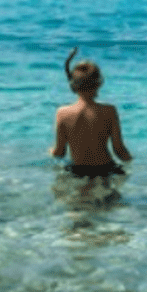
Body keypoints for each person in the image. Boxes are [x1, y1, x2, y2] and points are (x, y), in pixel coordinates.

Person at [50, 47, 133, 188]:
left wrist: (50, 151)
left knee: (77, 206)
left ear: (73, 86)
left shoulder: (62, 113)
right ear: (99, 84)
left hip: (77, 170)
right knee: (109, 205)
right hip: (107, 169)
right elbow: (119, 150)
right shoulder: (109, 111)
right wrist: (134, 164)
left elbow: (60, 152)